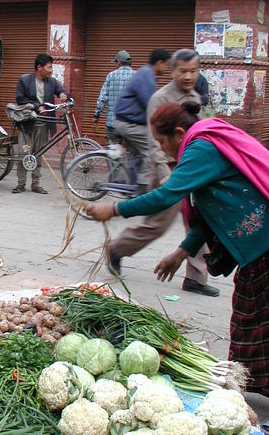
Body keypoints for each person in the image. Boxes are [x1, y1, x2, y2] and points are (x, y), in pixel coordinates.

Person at [87, 102, 269, 435]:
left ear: (178, 134)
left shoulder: (201, 147)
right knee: (248, 318)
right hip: (252, 246)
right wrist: (182, 253)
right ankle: (248, 385)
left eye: (162, 143)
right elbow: (208, 212)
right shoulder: (200, 147)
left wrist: (114, 208)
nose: (162, 151)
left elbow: (165, 196)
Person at [108, 48, 218, 297]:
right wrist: (163, 172)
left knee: (199, 221)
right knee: (157, 224)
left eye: (193, 71)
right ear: (173, 71)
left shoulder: (195, 99)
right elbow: (153, 140)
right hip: (167, 168)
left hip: (191, 168)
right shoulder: (160, 98)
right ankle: (117, 249)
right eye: (183, 71)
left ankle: (196, 278)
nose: (188, 76)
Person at [112, 49, 171, 191]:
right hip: (129, 124)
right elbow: (150, 104)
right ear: (159, 62)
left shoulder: (147, 74)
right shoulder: (146, 75)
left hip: (128, 122)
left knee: (138, 157)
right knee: (151, 149)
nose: (167, 68)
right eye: (167, 65)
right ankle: (143, 189)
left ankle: (133, 186)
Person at [13, 53, 68, 195]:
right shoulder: (25, 80)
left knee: (39, 153)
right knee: (24, 153)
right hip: (27, 124)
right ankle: (21, 184)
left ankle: (36, 184)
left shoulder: (52, 82)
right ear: (39, 67)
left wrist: (63, 95)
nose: (51, 70)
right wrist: (37, 106)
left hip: (44, 124)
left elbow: (60, 91)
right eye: (49, 67)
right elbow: (20, 99)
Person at [93, 50, 134, 142]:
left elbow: (102, 98)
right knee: (130, 150)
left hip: (113, 124)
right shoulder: (137, 76)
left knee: (112, 149)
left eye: (115, 63)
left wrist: (96, 115)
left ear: (119, 63)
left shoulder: (111, 76)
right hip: (130, 125)